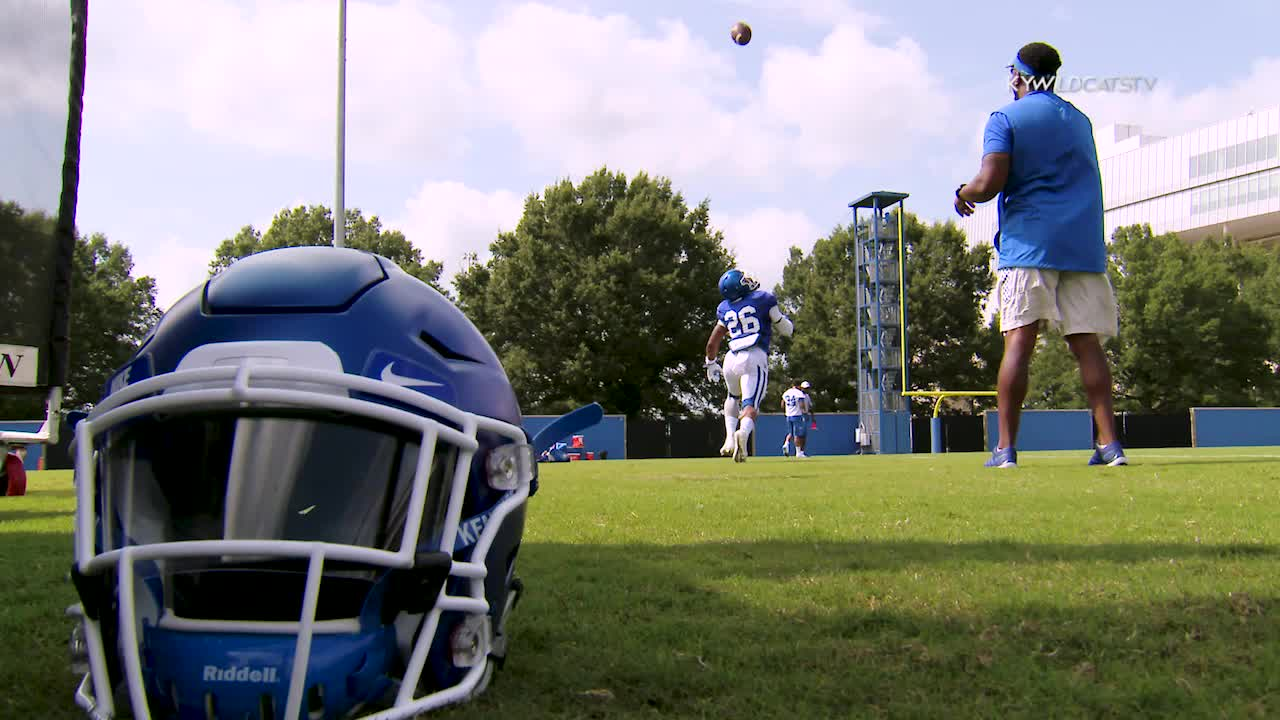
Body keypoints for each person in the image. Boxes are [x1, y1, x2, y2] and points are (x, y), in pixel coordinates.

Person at [954, 41, 1127, 469]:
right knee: (1088, 346)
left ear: (1017, 76)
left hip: (1030, 246)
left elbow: (990, 181)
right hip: (1083, 247)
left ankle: (1005, 449)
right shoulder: (1080, 120)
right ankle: (1109, 446)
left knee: (1019, 343)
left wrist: (963, 193)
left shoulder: (1005, 118)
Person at [705, 268, 793, 462]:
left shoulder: (725, 308)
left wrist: (710, 362)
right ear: (740, 285)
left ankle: (728, 439)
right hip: (753, 355)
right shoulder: (763, 299)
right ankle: (742, 434)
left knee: (732, 397)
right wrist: (784, 322)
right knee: (750, 405)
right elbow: (786, 330)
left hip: (730, 358)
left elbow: (713, 342)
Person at [780, 381, 811, 458]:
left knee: (790, 433)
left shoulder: (786, 392)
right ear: (799, 386)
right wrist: (804, 413)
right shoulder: (799, 393)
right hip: (797, 415)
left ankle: (786, 443)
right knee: (797, 434)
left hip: (788, 415)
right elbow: (801, 405)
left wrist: (787, 411)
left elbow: (782, 404)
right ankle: (798, 452)